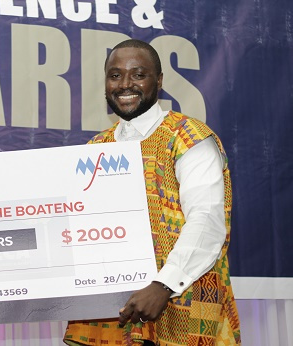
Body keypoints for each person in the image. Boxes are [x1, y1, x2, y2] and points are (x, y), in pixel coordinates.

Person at [64, 40, 241, 345]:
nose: (125, 84)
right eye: (115, 75)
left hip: (181, 308)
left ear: (158, 81)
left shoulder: (189, 137)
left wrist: (163, 285)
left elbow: (207, 222)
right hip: (109, 317)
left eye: (138, 74)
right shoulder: (95, 148)